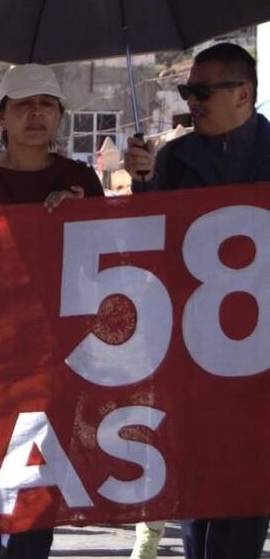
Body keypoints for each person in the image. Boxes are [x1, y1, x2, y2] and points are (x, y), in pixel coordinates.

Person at [0, 64, 103, 559]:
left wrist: (83, 216)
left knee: (40, 477)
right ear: (0, 116)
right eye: (24, 104)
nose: (36, 113)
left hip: (53, 360)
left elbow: (109, 255)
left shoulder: (81, 179)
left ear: (60, 117)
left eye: (47, 104)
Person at [123, 42, 270, 559]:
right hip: (193, 354)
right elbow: (151, 246)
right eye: (188, 91)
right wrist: (143, 186)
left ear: (244, 93)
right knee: (198, 492)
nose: (193, 101)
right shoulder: (174, 161)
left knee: (246, 493)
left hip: (261, 361)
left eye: (203, 91)